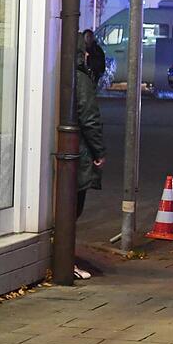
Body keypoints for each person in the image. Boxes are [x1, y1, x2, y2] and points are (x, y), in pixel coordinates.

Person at [74, 37, 105, 280]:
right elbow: (89, 118)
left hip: (66, 150)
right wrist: (99, 152)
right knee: (74, 208)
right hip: (78, 153)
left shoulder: (60, 74)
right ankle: (66, 259)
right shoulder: (81, 78)